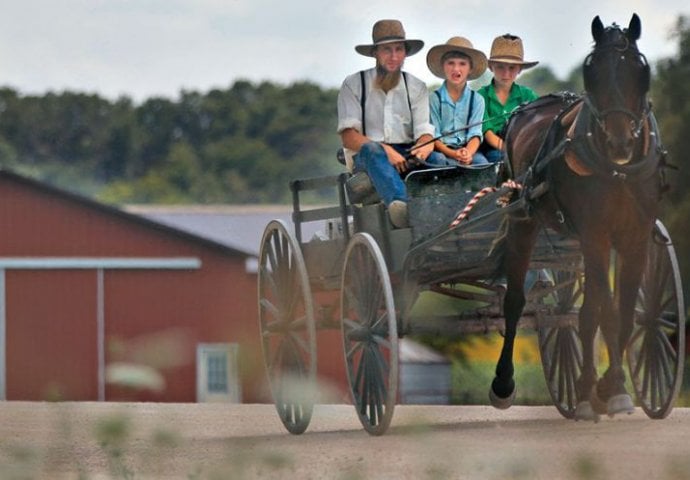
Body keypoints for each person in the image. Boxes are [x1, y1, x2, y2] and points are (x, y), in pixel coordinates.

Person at [337, 19, 454, 229]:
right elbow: (348, 136)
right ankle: (401, 208)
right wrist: (386, 150)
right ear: (375, 53)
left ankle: (444, 210)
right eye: (386, 50)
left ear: (405, 53)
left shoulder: (416, 87)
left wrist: (424, 146)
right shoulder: (354, 85)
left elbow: (424, 132)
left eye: (398, 49)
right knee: (373, 150)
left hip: (406, 153)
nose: (393, 56)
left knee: (438, 158)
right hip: (368, 155)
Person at [426, 37, 489, 166]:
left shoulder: (477, 100)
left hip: (467, 150)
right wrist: (453, 154)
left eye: (462, 64)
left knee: (482, 163)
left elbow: (475, 133)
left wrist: (468, 153)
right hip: (442, 150)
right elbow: (434, 136)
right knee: (438, 160)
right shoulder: (434, 99)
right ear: (443, 67)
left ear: (470, 68)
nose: (456, 69)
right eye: (450, 63)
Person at [477, 34, 540, 163]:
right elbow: (488, 134)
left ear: (520, 69)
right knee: (502, 158)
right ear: (491, 67)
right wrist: (511, 150)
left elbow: (539, 124)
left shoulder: (528, 95)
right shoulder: (481, 96)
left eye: (512, 68)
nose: (506, 74)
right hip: (492, 150)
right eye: (500, 66)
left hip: (522, 147)